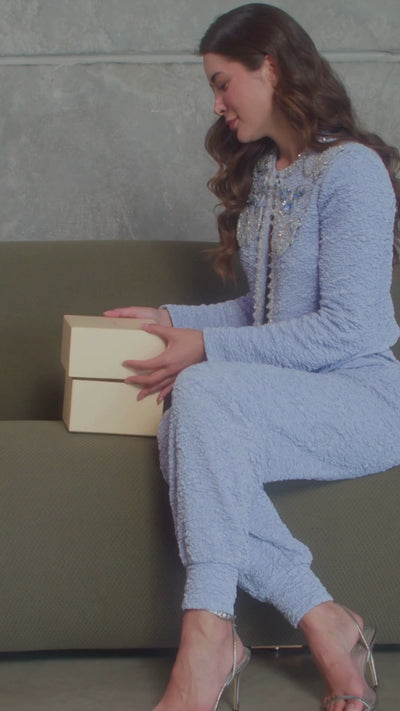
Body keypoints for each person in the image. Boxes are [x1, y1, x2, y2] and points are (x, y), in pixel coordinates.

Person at [105, 4, 400, 710]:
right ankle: (320, 616)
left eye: (222, 82)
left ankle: (208, 636)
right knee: (185, 422)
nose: (216, 104)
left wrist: (203, 346)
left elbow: (345, 329)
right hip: (284, 397)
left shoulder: (353, 172)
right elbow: (263, 316)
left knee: (199, 392)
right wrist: (170, 320)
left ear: (268, 67)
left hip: (361, 399)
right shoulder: (269, 173)